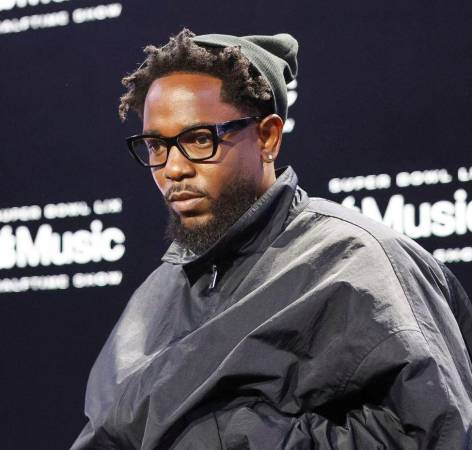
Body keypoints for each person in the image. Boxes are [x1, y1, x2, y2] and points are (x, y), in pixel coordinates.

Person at [71, 28, 472, 449]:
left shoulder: (358, 263)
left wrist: (226, 437)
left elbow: (434, 434)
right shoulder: (157, 292)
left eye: (199, 139)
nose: (173, 169)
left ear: (268, 137)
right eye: (156, 146)